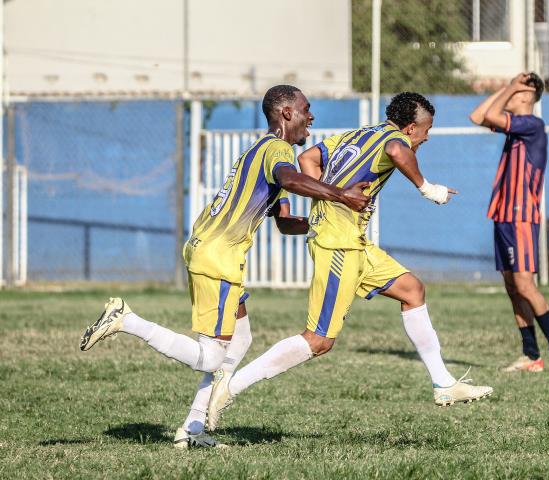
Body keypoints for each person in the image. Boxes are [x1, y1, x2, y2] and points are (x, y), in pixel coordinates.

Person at [78, 85, 370, 448]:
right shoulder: (277, 149)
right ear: (286, 113)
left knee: (241, 338)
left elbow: (283, 221)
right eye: (306, 109)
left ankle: (192, 431)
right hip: (218, 257)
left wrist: (325, 221)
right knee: (210, 356)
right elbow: (291, 180)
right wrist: (342, 194)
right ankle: (127, 320)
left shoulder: (263, 150)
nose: (312, 117)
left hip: (212, 250)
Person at [206, 92, 493, 431]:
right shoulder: (394, 140)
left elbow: (310, 157)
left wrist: (331, 194)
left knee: (412, 290)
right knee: (319, 340)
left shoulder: (360, 133)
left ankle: (443, 383)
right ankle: (229, 386)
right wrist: (427, 188)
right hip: (338, 245)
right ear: (411, 127)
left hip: (353, 241)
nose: (426, 137)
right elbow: (396, 151)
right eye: (425, 131)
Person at [469, 72, 549, 373]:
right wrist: (506, 87)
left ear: (526, 96)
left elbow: (489, 114)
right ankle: (531, 356)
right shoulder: (515, 129)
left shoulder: (532, 125)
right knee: (512, 287)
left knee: (525, 285)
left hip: (521, 216)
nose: (509, 95)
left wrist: (511, 87)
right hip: (502, 215)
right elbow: (477, 116)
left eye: (515, 92)